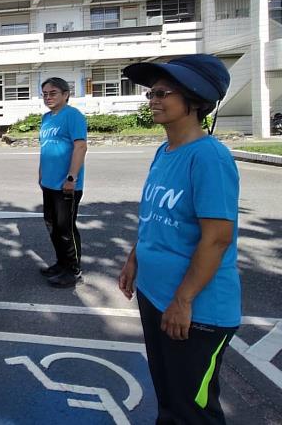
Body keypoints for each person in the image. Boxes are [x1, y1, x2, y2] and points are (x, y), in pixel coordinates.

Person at [118, 54, 239, 424]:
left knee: (193, 410)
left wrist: (183, 300)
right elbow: (156, 218)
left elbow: (217, 238)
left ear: (196, 99)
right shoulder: (165, 151)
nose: (152, 100)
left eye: (163, 92)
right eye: (151, 93)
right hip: (156, 295)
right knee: (169, 399)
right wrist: (134, 259)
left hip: (195, 310)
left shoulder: (209, 157)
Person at [37, 77, 88, 288]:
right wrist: (40, 175)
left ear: (66, 94)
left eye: (53, 93)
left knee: (65, 228)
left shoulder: (73, 116)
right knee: (52, 226)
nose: (48, 97)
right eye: (45, 94)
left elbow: (80, 147)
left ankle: (73, 270)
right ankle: (61, 263)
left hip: (66, 184)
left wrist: (71, 178)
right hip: (48, 183)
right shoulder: (46, 118)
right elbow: (45, 149)